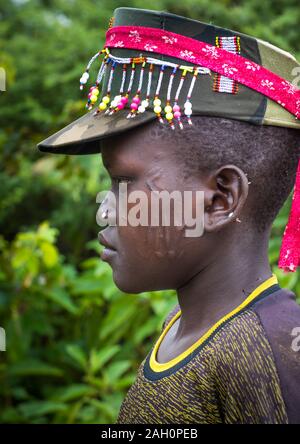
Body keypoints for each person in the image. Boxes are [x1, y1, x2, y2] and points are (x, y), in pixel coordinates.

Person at [37, 7, 300, 423]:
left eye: (124, 182)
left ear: (218, 200)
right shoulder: (184, 324)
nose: (106, 208)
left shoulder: (269, 353)